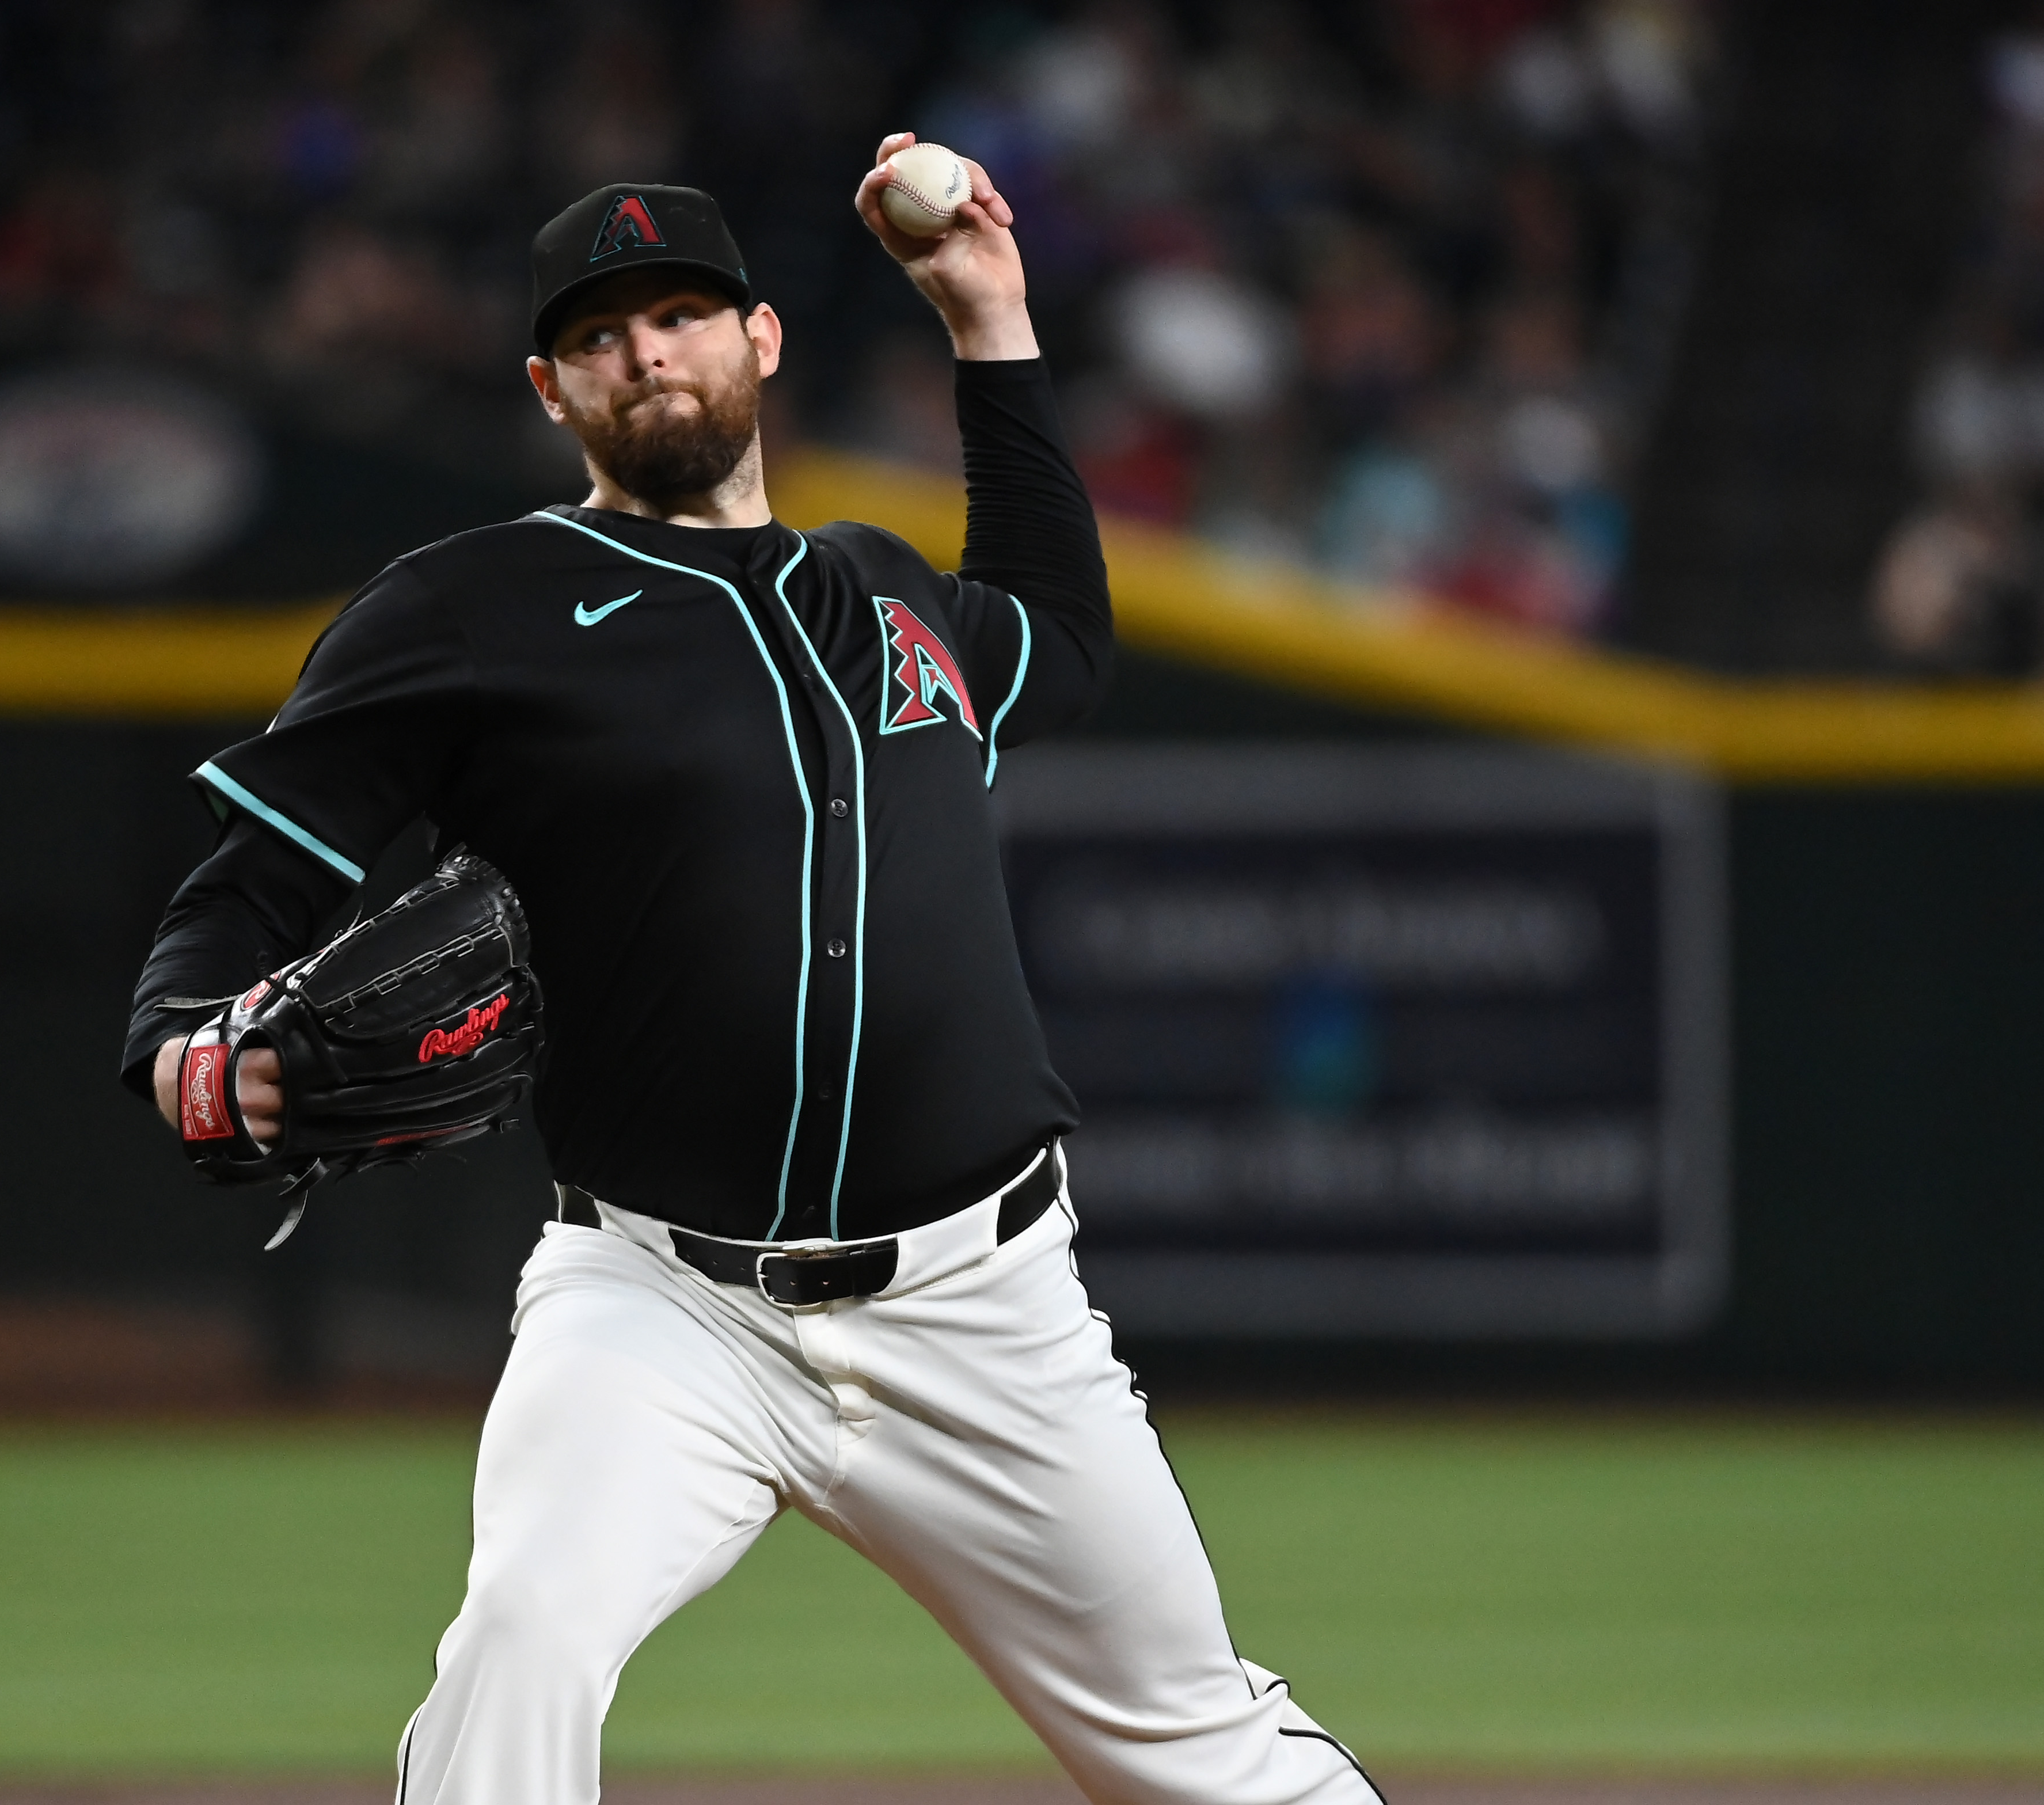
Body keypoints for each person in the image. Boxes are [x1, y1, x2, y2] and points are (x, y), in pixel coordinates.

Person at [121, 144, 1382, 1805]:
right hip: (662, 1299)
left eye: (680, 314)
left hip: (981, 1301)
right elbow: (251, 875)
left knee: (1202, 1749)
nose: (647, 353)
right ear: (549, 386)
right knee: (522, 1640)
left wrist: (992, 327)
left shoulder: (882, 588)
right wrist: (182, 1044)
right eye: (601, 335)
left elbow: (1059, 640)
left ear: (760, 340)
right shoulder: (468, 608)